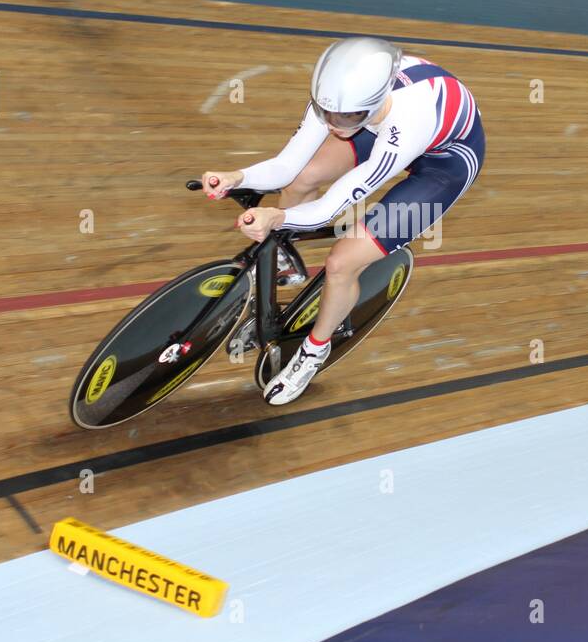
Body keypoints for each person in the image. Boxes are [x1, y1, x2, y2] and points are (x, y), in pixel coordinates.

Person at [199, 36, 485, 405]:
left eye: (344, 117)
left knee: (342, 262)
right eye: (325, 113)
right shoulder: (340, 101)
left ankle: (314, 351)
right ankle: (284, 260)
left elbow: (335, 204)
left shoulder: (405, 124)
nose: (332, 124)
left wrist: (279, 216)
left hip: (444, 165)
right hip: (378, 125)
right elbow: (287, 166)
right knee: (302, 178)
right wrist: (237, 176)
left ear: (373, 103)